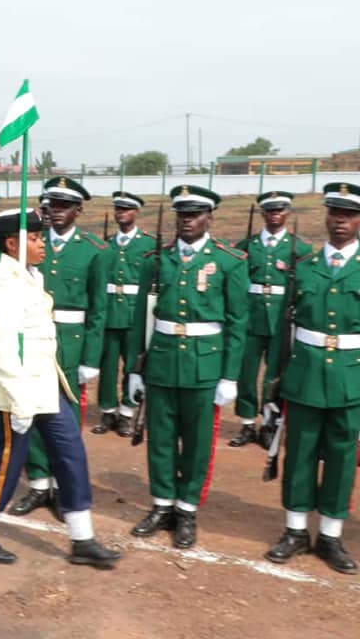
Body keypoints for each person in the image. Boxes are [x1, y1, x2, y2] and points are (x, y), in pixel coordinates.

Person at [0, 209, 121, 568]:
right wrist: (20, 404)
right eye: (35, 239)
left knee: (71, 455)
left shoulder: (27, 275)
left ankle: (82, 538)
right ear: (11, 243)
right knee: (6, 463)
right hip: (14, 390)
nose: (43, 245)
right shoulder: (4, 280)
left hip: (45, 384)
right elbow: (2, 346)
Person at [126, 185, 249, 549]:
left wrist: (229, 375)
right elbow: (140, 319)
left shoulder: (229, 261)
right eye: (182, 214)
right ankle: (162, 505)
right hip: (162, 359)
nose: (187, 221)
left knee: (197, 442)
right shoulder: (155, 260)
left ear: (209, 217)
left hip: (204, 363)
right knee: (160, 438)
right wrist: (135, 368)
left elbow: (237, 322)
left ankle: (187, 509)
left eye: (194, 214)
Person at [262, 182, 360, 575]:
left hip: (352, 377)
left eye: (349, 215)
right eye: (335, 213)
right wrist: (272, 384)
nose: (340, 222)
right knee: (300, 453)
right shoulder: (304, 266)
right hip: (303, 375)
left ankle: (331, 536)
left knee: (341, 457)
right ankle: (296, 531)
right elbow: (282, 333)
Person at [8, 177, 106, 519]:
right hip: (35, 338)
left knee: (66, 419)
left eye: (64, 206)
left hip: (71, 342)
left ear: (78, 210)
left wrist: (91, 358)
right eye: (50, 204)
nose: (55, 212)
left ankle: (65, 487)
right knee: (32, 412)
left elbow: (98, 309)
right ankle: (38, 482)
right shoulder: (30, 246)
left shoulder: (93, 249)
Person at [229, 192, 311, 448]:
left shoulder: (300, 248)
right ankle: (246, 423)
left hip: (281, 319)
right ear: (263, 214)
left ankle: (269, 422)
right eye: (270, 210)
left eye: (280, 210)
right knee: (246, 372)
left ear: (287, 213)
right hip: (251, 317)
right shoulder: (247, 245)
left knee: (274, 373)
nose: (275, 214)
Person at [95, 191, 154, 437]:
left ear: (136, 212)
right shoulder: (106, 243)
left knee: (132, 366)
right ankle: (108, 411)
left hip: (134, 315)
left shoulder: (149, 244)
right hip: (109, 313)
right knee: (107, 365)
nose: (122, 213)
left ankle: (127, 413)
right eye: (118, 209)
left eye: (127, 209)